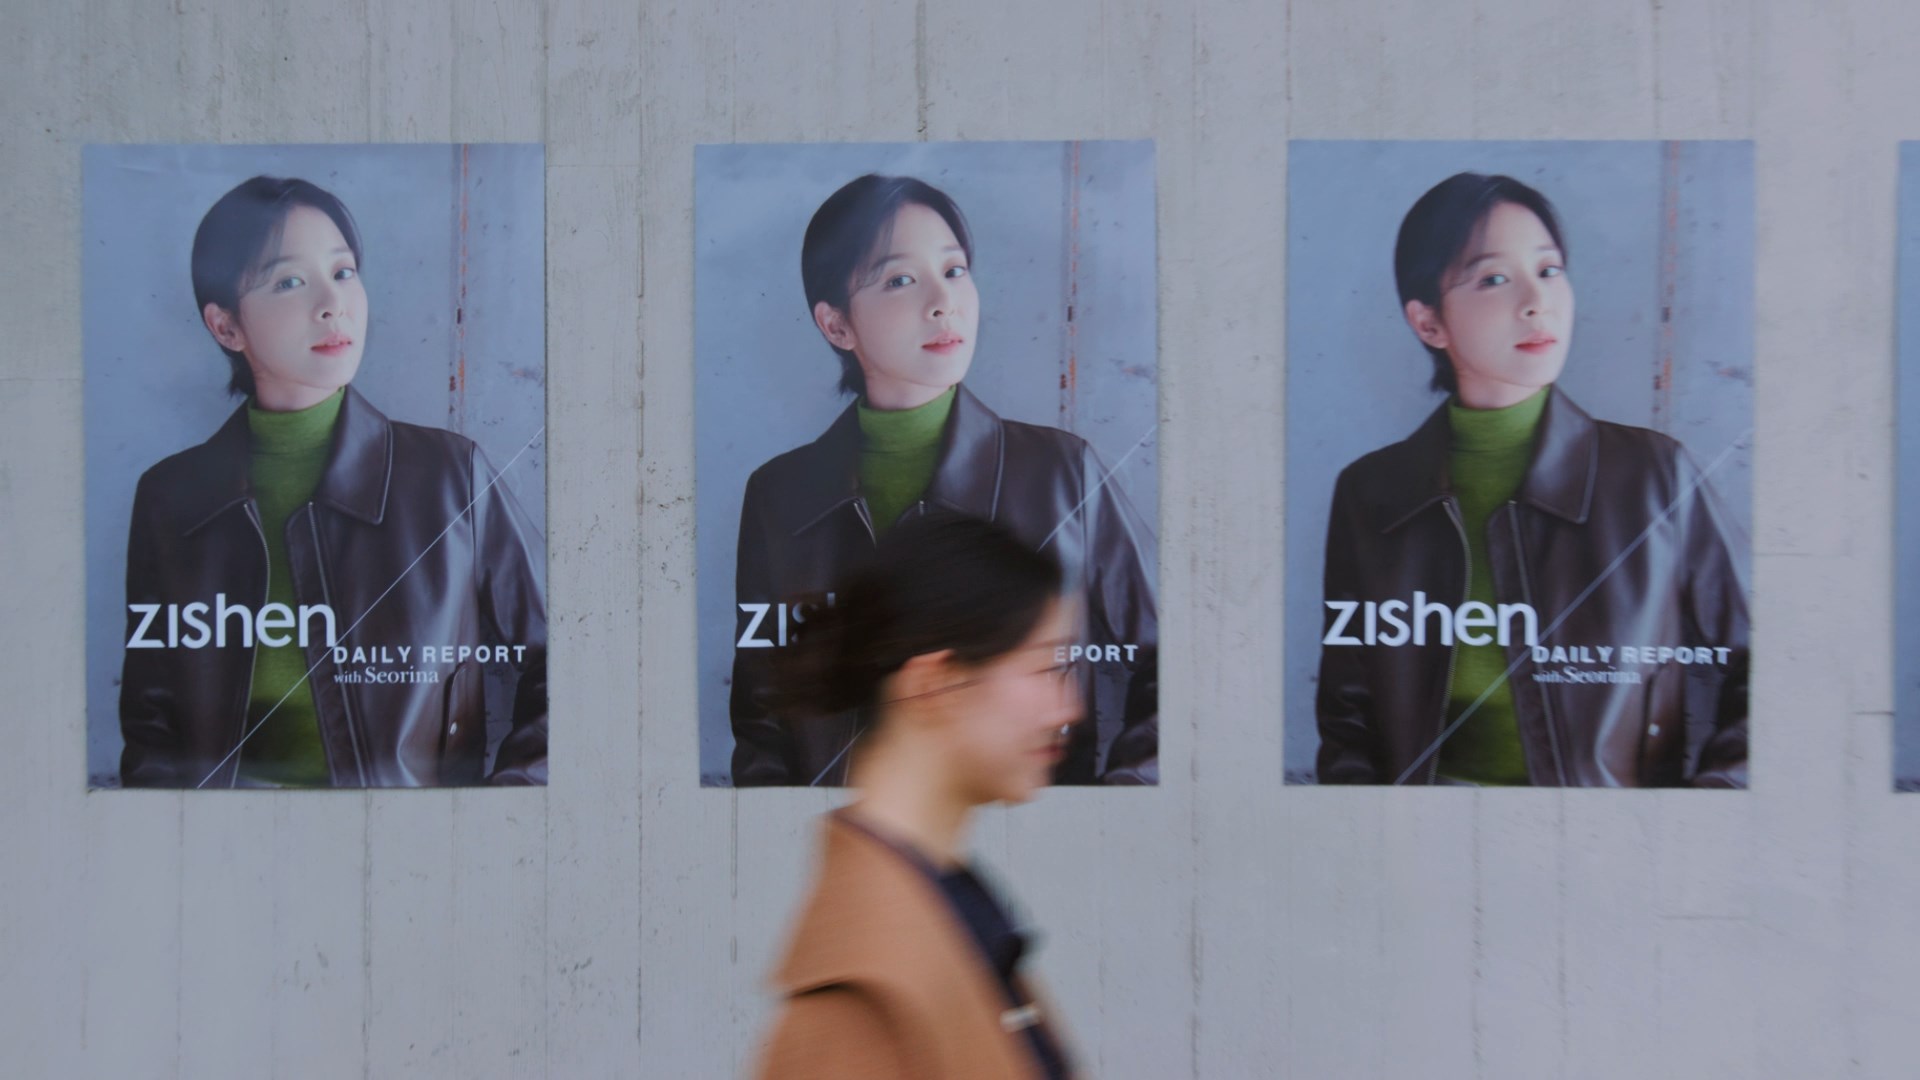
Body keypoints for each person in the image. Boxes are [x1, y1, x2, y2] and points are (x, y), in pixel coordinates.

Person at [1313, 172, 1749, 787]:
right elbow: (1347, 715)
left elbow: (1770, 671)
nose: (1535, 301)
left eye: (1548, 270)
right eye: (1493, 278)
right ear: (1429, 323)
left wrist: (1706, 818)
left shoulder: (1656, 476)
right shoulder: (1369, 492)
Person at [117, 175, 547, 788]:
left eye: (343, 272)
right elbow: (151, 721)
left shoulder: (453, 477)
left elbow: (571, 656)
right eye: (288, 281)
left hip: (413, 850)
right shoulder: (169, 497)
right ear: (226, 327)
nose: (332, 303)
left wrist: (505, 811)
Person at [730, 173, 1158, 787]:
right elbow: (763, 714)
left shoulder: (1066, 472)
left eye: (954, 271)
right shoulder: (778, 494)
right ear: (837, 326)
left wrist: (1114, 807)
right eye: (899, 279)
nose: (942, 301)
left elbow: (1173, 668)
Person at [754, 512, 1078, 1079]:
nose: (1067, 709)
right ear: (936, 686)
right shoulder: (862, 1000)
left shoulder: (948, 906)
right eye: (1046, 667)